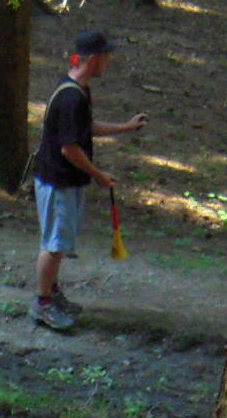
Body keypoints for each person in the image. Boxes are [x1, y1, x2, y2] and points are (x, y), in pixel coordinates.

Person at [29, 28, 148, 331]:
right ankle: (42, 303)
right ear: (93, 59)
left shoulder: (77, 89)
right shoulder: (71, 97)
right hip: (57, 181)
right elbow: (69, 148)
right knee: (54, 244)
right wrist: (98, 175)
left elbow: (85, 128)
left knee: (59, 242)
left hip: (65, 180)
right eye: (106, 56)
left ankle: (52, 292)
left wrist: (125, 127)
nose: (108, 62)